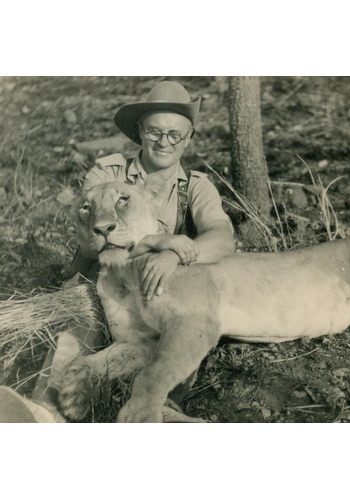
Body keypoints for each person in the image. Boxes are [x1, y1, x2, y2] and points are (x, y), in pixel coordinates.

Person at [29, 81, 235, 418]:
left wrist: (173, 254)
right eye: (155, 132)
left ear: (189, 137)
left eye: (175, 135)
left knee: (180, 336)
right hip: (105, 281)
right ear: (139, 131)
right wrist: (158, 242)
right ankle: (42, 411)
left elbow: (223, 238)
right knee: (72, 337)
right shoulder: (107, 172)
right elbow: (95, 235)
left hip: (159, 290)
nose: (164, 142)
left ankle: (161, 409)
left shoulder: (196, 186)